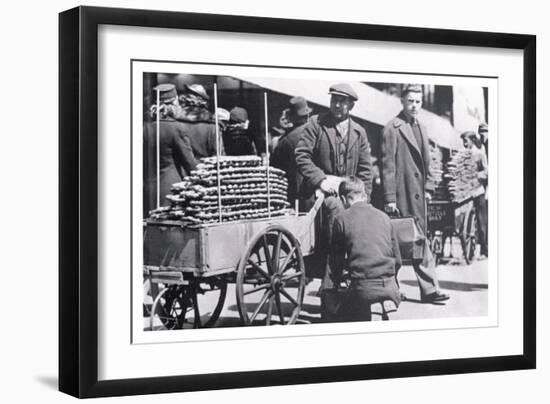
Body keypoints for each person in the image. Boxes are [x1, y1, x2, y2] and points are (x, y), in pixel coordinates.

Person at [295, 82, 373, 316]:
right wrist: (320, 180)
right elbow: (301, 156)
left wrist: (362, 197)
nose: (337, 105)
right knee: (339, 220)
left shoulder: (359, 132)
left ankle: (362, 290)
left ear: (351, 105)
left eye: (343, 101)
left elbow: (366, 170)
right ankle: (329, 291)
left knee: (366, 223)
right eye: (334, 100)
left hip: (352, 194)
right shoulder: (316, 124)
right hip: (322, 194)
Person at [380, 84, 449, 303]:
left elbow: (427, 162)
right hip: (402, 193)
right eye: (411, 101)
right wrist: (390, 198)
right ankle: (391, 288)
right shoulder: (392, 128)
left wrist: (428, 188)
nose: (415, 105)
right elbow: (387, 166)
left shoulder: (422, 127)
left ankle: (429, 289)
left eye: (418, 101)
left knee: (420, 240)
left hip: (419, 194)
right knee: (398, 244)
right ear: (402, 101)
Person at [330, 176, 402, 322]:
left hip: (362, 289)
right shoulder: (384, 217)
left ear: (343, 199)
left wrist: (337, 284)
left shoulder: (341, 218)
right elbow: (398, 259)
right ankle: (385, 301)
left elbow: (336, 262)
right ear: (365, 196)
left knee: (341, 317)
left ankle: (369, 305)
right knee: (382, 293)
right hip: (390, 286)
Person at [143, 83, 198, 215]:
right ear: (174, 103)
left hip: (147, 189)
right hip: (171, 190)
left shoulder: (144, 128)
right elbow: (189, 163)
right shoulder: (176, 128)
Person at [271, 96, 313, 205]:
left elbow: (275, 170)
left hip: (296, 195)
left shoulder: (286, 141)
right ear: (308, 115)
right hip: (318, 190)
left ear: (291, 117)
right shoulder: (318, 132)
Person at [168, 83, 223, 158]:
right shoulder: (213, 126)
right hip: (206, 167)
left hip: (182, 168)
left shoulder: (175, 123)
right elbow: (219, 156)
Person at [461, 131, 488, 258]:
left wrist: (476, 176)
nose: (464, 144)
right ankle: (469, 251)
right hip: (467, 193)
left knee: (481, 221)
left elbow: (487, 172)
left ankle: (485, 250)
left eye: (466, 141)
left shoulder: (479, 154)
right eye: (463, 141)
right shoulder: (463, 155)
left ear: (472, 140)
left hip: (478, 191)